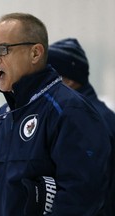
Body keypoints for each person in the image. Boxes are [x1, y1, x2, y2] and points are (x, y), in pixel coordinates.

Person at [0, 12, 111, 216]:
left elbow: (83, 195)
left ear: (35, 53)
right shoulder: (1, 118)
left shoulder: (69, 110)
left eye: (3, 49)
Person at [48, 38, 115, 216]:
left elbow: (84, 191)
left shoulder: (86, 120)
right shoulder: (93, 114)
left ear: (69, 81)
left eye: (49, 77)